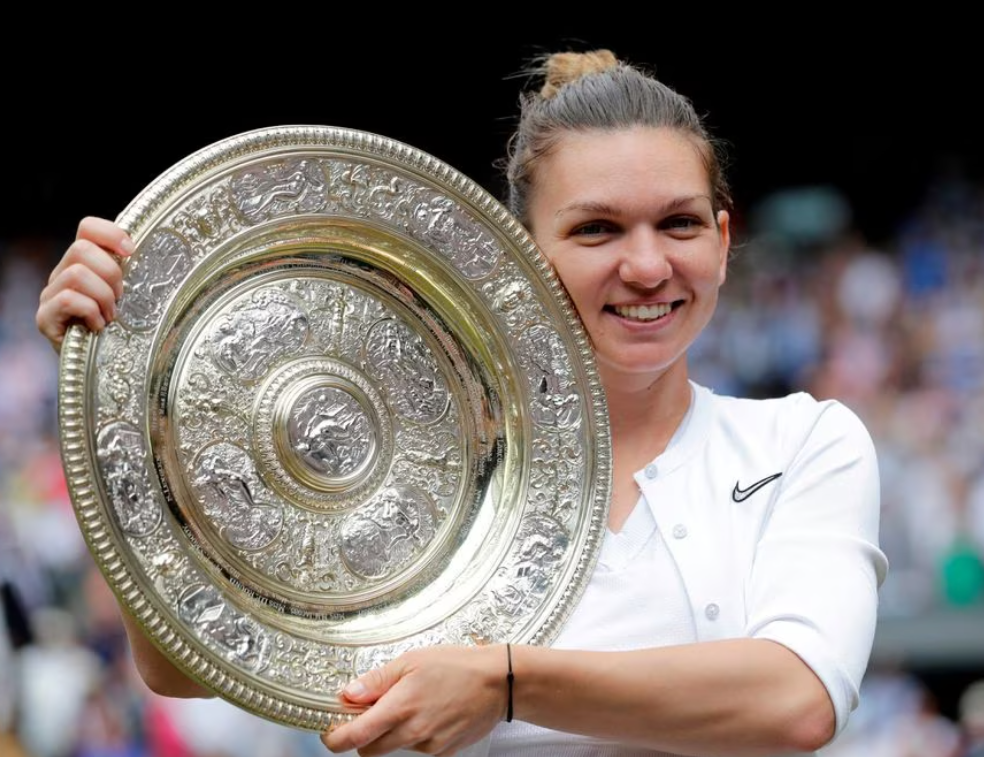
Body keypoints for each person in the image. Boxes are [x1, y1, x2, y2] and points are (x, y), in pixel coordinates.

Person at [36, 49, 888, 756]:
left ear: (723, 238)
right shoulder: (421, 481)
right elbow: (186, 662)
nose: (645, 266)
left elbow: (797, 699)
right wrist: (105, 380)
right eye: (596, 229)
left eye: (678, 223)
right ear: (518, 253)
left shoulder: (802, 442)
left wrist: (504, 681)